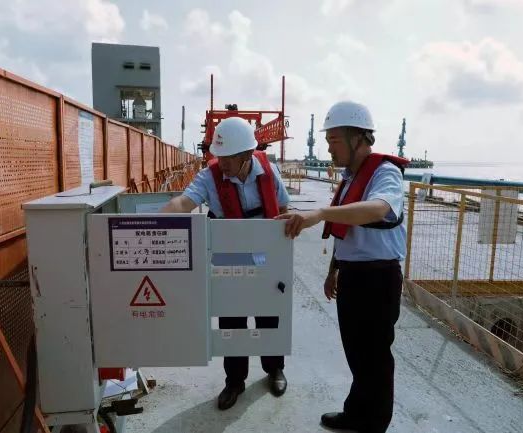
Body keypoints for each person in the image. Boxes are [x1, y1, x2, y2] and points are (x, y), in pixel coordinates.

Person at [276, 101, 408, 433]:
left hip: (378, 278)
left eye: (334, 140)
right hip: (353, 275)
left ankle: (374, 425)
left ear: (358, 138)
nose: (329, 149)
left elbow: (377, 209)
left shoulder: (385, 173)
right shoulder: (351, 178)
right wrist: (334, 269)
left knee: (375, 357)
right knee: (357, 353)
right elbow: (347, 228)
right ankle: (356, 413)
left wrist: (319, 213)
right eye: (328, 141)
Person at [161, 116, 290, 410]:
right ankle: (234, 381)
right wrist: (154, 222)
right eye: (219, 156)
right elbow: (183, 203)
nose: (223, 164)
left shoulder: (269, 172)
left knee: (269, 316)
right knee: (231, 319)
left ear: (247, 155)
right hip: (228, 257)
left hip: (266, 257)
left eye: (229, 158)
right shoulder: (210, 176)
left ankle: (274, 369)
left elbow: (283, 207)